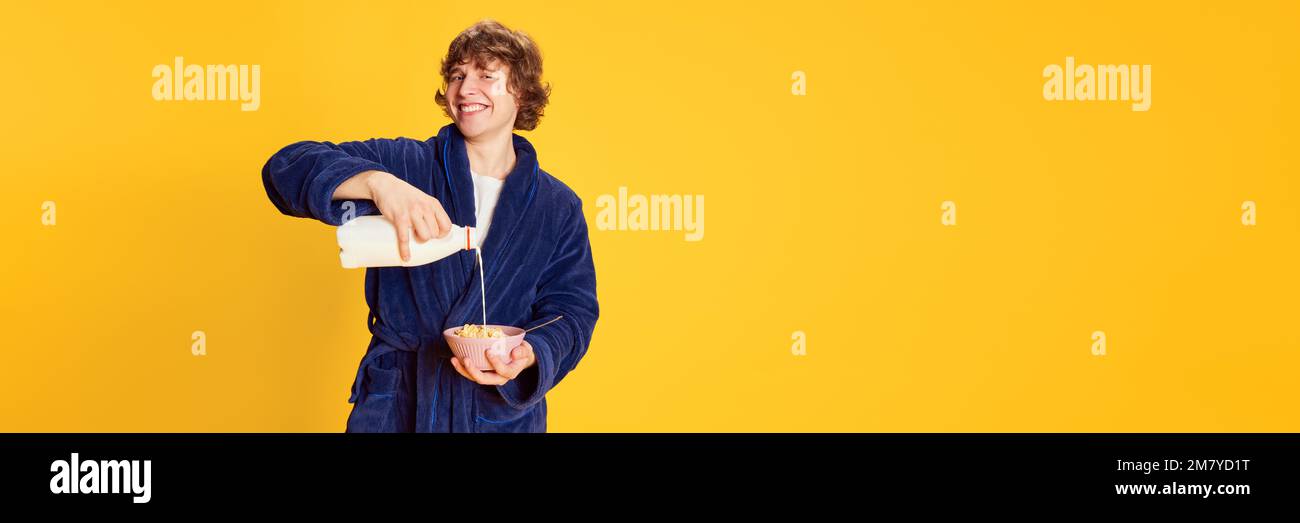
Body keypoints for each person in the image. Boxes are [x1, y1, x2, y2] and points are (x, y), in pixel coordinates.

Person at [261, 19, 598, 432]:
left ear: (521, 92)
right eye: (457, 75)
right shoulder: (407, 165)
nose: (465, 89)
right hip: (399, 404)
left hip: (497, 415)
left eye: (486, 76)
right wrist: (378, 184)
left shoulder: (557, 206)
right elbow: (285, 167)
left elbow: (571, 311)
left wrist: (530, 353)